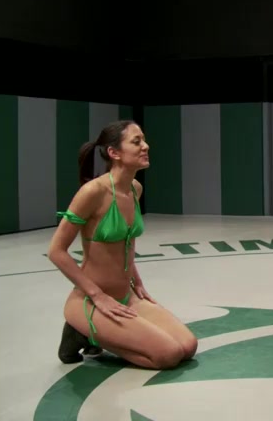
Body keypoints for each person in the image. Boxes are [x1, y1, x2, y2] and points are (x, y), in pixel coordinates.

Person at [48, 120, 198, 369]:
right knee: (168, 355)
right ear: (114, 152)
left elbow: (125, 243)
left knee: (188, 346)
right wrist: (97, 296)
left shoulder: (135, 189)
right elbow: (56, 251)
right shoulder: (93, 192)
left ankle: (97, 334)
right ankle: (82, 332)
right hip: (90, 302)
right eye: (136, 142)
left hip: (127, 297)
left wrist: (137, 282)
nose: (145, 146)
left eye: (144, 140)